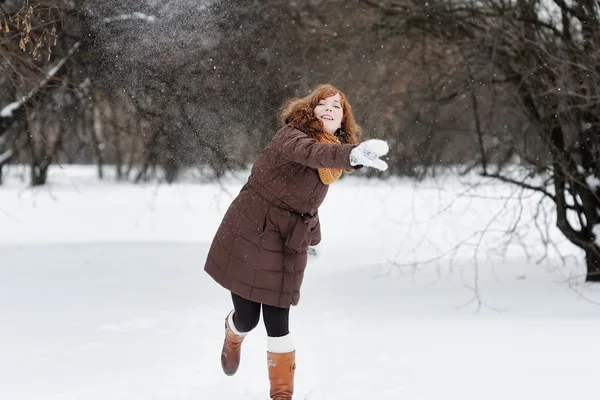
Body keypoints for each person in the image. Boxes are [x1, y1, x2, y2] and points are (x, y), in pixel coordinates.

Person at [203, 84, 389, 399]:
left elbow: (306, 201)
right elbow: (312, 153)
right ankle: (233, 334)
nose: (330, 109)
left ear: (343, 119)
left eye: (337, 106)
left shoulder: (330, 159)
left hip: (286, 239)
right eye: (323, 104)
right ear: (311, 110)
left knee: (278, 320)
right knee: (248, 317)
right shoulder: (293, 136)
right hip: (251, 227)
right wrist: (352, 155)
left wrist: (313, 234)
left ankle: (281, 395)